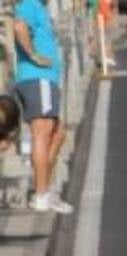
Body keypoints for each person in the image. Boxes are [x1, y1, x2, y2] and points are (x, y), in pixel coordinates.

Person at [13, 0, 71, 214]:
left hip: (45, 79)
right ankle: (41, 195)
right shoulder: (29, 4)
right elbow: (19, 26)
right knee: (43, 133)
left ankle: (43, 187)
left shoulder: (39, 7)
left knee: (58, 133)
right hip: (38, 78)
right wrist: (33, 55)